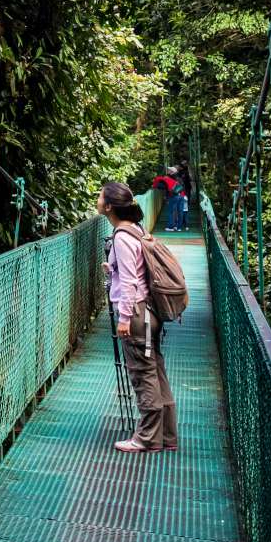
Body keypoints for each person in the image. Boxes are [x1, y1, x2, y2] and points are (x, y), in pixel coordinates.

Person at [99, 180, 177, 453]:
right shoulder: (136, 229)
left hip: (136, 315)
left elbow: (132, 283)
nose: (98, 200)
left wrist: (123, 319)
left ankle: (146, 439)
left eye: (100, 197)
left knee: (143, 376)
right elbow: (136, 271)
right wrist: (113, 269)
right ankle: (167, 436)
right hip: (150, 312)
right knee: (156, 371)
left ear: (109, 206)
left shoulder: (120, 237)